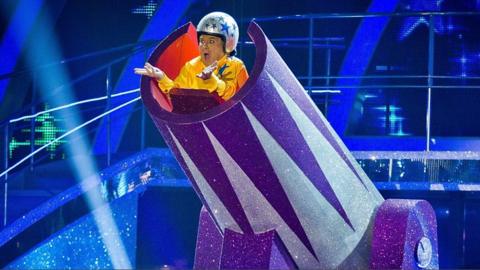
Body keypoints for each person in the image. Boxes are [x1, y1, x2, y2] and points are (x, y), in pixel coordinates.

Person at [135, 12, 248, 101]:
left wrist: (211, 79)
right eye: (202, 41)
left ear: (227, 44)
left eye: (211, 41)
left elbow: (233, 96)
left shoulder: (236, 65)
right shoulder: (191, 66)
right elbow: (177, 94)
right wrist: (161, 77)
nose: (204, 46)